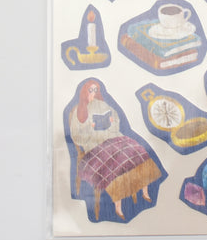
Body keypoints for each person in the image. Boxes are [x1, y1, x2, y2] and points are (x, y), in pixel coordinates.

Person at [68, 80, 160, 219]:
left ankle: (145, 191)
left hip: (113, 138)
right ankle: (118, 206)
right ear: (84, 92)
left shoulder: (102, 104)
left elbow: (116, 120)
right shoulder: (79, 111)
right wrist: (91, 128)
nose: (93, 93)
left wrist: (110, 122)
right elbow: (77, 137)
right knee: (114, 166)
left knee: (137, 151)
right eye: (90, 90)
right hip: (94, 145)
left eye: (95, 90)